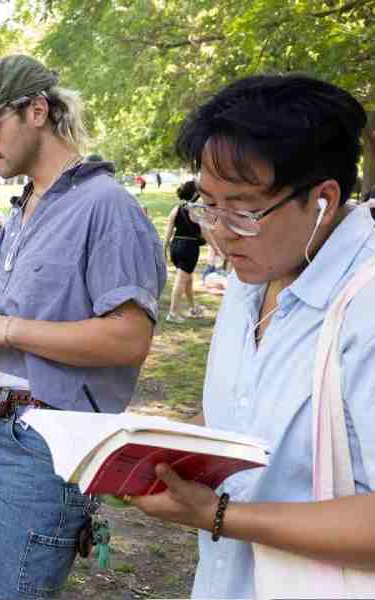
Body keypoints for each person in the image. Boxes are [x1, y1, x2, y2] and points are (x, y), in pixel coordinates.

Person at [0, 54, 166, 599]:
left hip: (44, 443)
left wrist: (3, 329)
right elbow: (8, 344)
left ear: (38, 111)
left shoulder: (107, 206)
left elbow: (130, 338)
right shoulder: (21, 212)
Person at [127, 75, 375, 599]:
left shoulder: (365, 309)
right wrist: (153, 449)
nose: (217, 231)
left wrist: (220, 515)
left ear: (323, 201)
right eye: (208, 205)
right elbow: (244, 420)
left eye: (241, 210)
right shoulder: (253, 277)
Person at [163, 180, 206, 321]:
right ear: (195, 194)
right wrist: (218, 248)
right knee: (181, 280)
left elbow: (168, 232)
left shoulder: (175, 209)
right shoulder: (195, 211)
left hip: (175, 247)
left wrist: (164, 250)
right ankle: (173, 313)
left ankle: (193, 308)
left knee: (188, 279)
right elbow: (206, 233)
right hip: (189, 248)